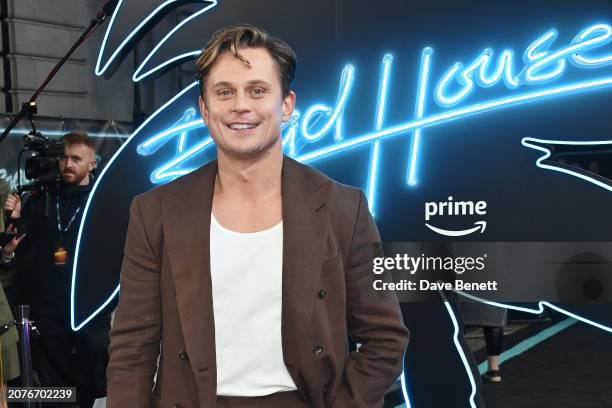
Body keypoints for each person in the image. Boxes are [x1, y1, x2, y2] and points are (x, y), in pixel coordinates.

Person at [107, 25, 409, 408]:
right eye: (224, 92)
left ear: (286, 105)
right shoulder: (155, 212)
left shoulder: (343, 209)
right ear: (204, 109)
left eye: (258, 90)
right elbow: (132, 349)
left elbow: (385, 339)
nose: (240, 106)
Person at [3, 132, 110, 407]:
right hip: (46, 314)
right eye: (63, 157)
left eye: (76, 158)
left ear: (93, 163)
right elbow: (17, 250)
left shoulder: (103, 202)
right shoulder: (42, 201)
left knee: (88, 388)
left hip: (89, 312)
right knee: (52, 393)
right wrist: (12, 220)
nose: (68, 164)